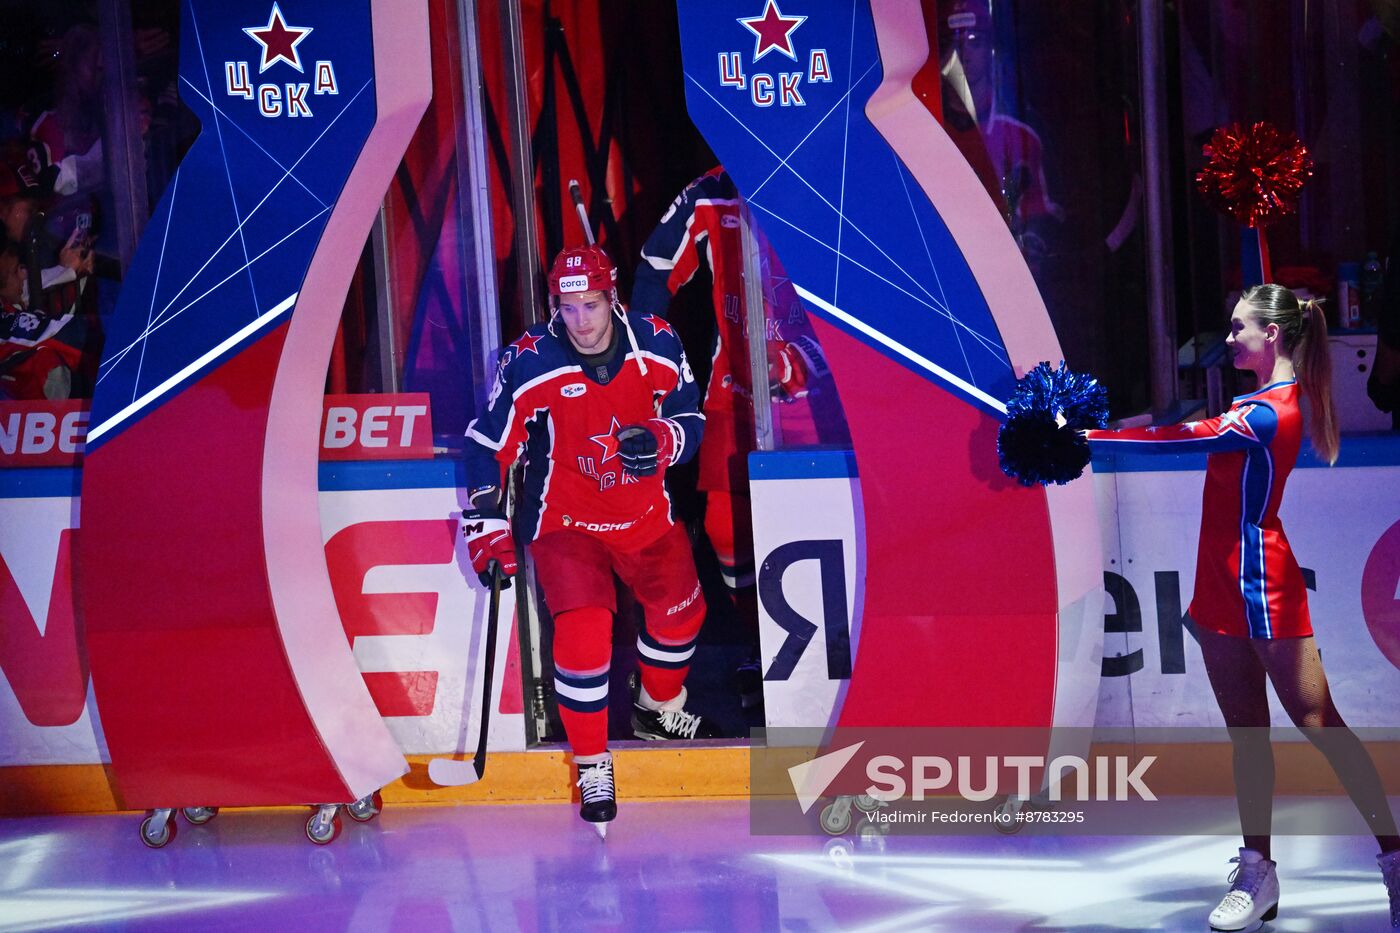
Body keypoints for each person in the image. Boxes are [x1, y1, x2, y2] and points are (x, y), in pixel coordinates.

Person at [1087, 284, 1400, 931]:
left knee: (1321, 725)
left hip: (1265, 584)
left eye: (1239, 329)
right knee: (1246, 735)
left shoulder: (1272, 411)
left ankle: (1395, 857)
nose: (1228, 340)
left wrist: (1085, 436)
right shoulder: (1254, 401)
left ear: (1274, 335)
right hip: (1217, 583)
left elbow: (1177, 438)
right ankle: (1257, 871)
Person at [460, 244, 718, 836]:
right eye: (568, 307)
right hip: (564, 522)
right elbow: (487, 443)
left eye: (591, 305)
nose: (580, 321)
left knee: (682, 618)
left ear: (613, 300)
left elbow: (691, 416)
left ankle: (656, 711)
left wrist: (663, 438)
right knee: (584, 631)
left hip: (645, 515)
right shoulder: (529, 358)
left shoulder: (655, 341)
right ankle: (593, 763)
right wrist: (485, 520)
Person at [631, 166, 826, 709]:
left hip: (824, 397)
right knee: (724, 529)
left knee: (824, 525)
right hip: (733, 390)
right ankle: (770, 649)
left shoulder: (830, 174)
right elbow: (654, 269)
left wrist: (802, 361)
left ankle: (827, 661)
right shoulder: (711, 192)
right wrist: (649, 360)